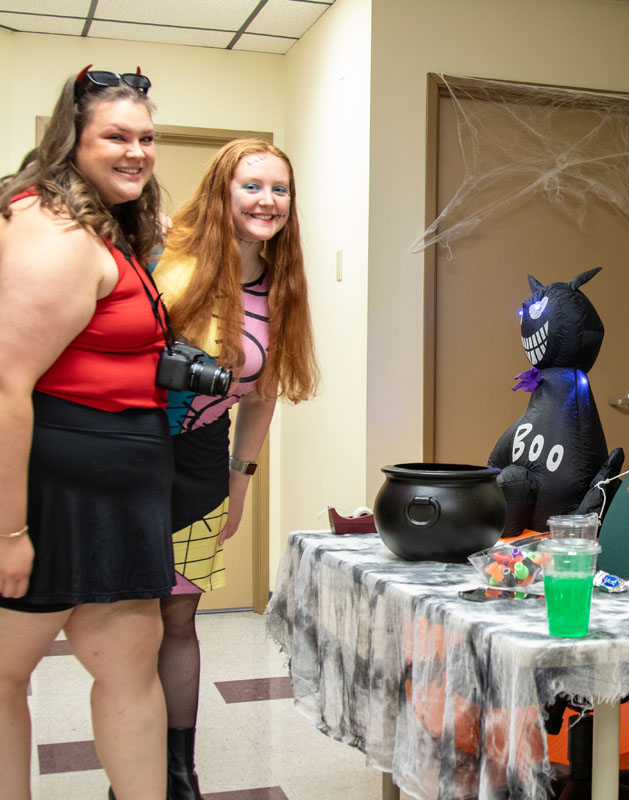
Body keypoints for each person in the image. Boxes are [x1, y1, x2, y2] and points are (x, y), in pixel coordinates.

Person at [0, 67, 172, 800]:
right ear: (72, 142)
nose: (136, 151)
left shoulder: (103, 223)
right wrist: (9, 533)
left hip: (120, 487)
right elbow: (6, 384)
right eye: (116, 137)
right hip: (48, 489)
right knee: (4, 679)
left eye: (146, 137)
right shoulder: (53, 229)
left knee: (131, 671)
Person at [149, 139, 318, 799]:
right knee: (130, 622)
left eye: (278, 189)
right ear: (223, 190)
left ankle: (179, 773)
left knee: (179, 618)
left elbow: (265, 390)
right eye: (252, 186)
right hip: (128, 455)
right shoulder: (169, 260)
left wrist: (239, 479)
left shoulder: (280, 289)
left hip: (198, 463)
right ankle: (132, 772)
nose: (266, 201)